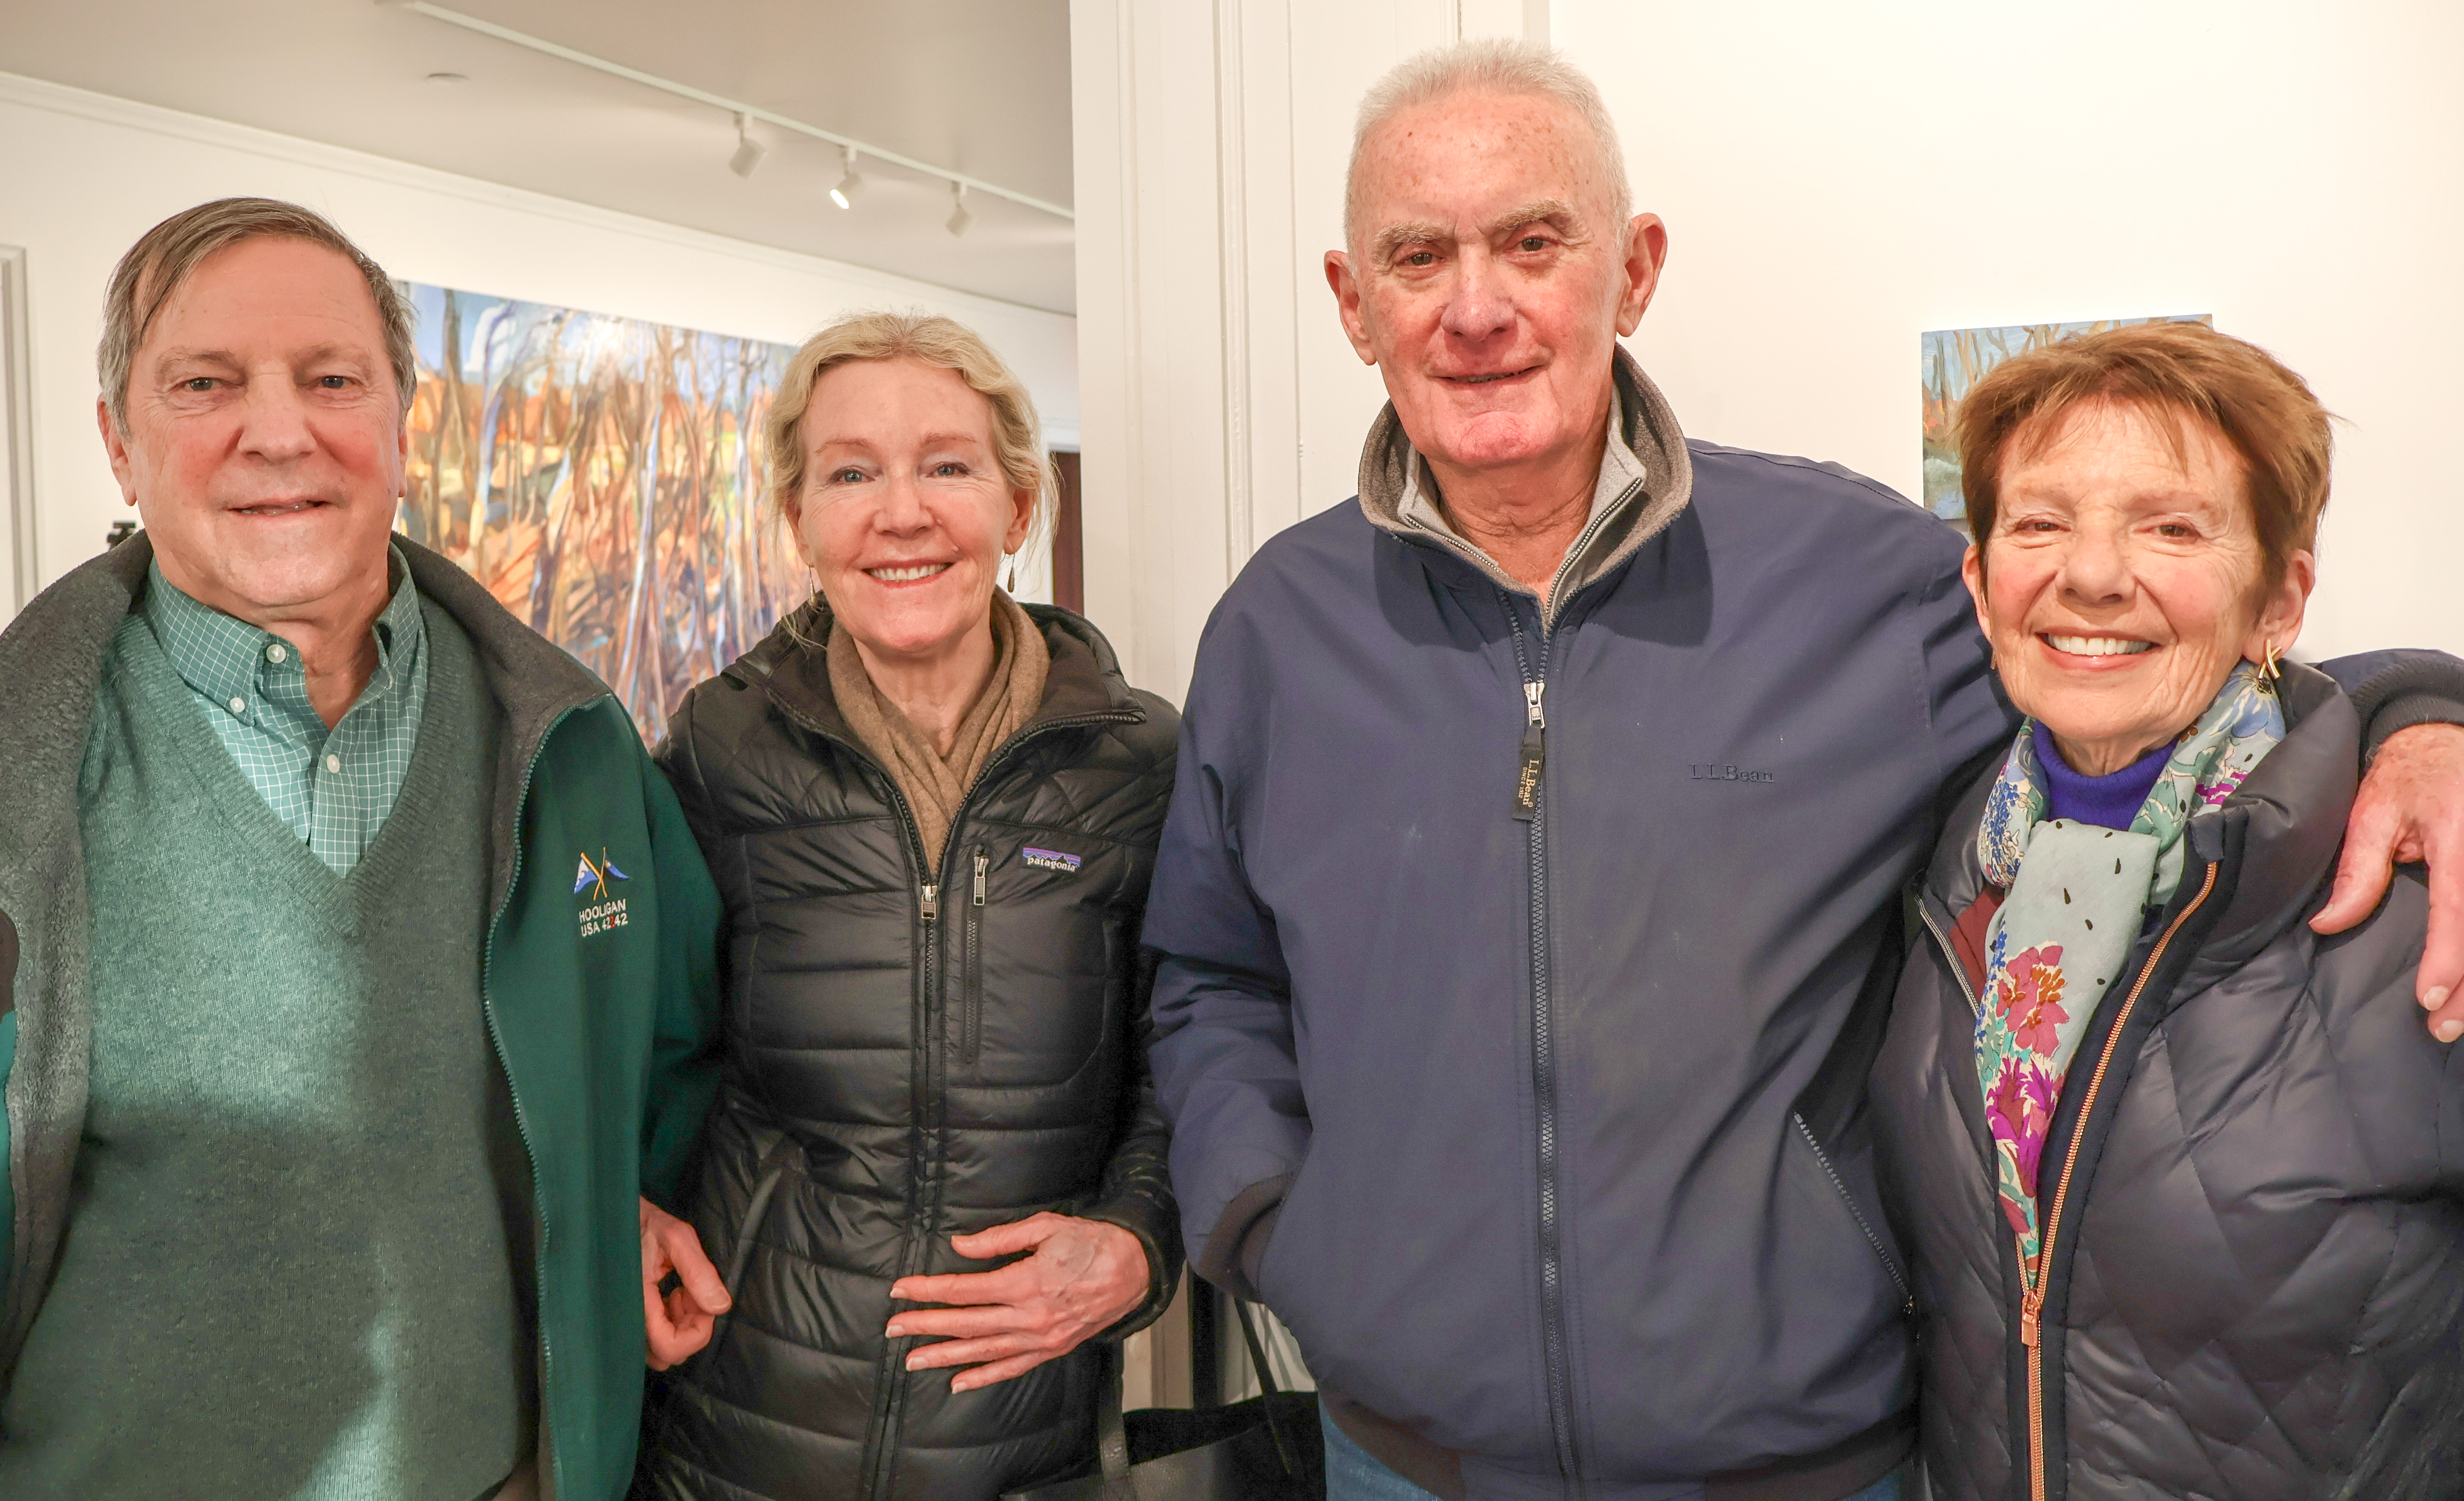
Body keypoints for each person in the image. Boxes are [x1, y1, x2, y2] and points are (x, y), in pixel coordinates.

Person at [1141, 40, 2464, 1501]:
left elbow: (2142, 687)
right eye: (1416, 255)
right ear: (1351, 301)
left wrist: (2423, 714)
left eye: (1532, 243)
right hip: (1398, 1457)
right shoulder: (1275, 627)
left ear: (1631, 270)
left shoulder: (1863, 582)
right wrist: (1273, 1217)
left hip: (1799, 1464)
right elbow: (1210, 971)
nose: (1475, 308)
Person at [0, 198, 731, 1498]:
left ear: (401, 418)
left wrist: (605, 1206)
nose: (278, 432)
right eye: (204, 384)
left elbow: (668, 1051)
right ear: (120, 444)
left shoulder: (573, 751)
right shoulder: (23, 772)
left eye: (332, 379)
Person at [1871, 323, 2464, 1501]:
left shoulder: (2427, 898)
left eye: (2170, 526)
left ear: (2277, 598)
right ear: (1982, 585)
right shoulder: (1938, 872)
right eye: (2038, 523)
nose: (2090, 575)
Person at [633, 311, 1182, 1501]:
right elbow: (647, 1036)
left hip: (1017, 1432)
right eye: (849, 473)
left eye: (946, 464)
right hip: (744, 1415)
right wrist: (622, 1208)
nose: (900, 512)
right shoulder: (722, 745)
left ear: (1018, 507)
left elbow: (1187, 1045)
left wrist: (1141, 1239)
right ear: (799, 521)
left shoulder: (1138, 760)